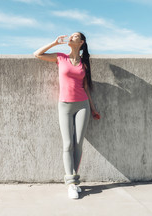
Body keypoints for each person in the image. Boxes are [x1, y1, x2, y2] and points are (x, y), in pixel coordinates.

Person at [33, 32, 100, 199]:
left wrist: (93, 108)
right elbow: (37, 54)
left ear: (81, 42)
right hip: (64, 105)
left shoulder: (84, 63)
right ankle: (71, 184)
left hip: (82, 104)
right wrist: (54, 43)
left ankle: (73, 182)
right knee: (67, 143)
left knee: (78, 144)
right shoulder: (60, 57)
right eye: (71, 35)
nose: (71, 37)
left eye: (75, 36)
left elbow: (85, 87)